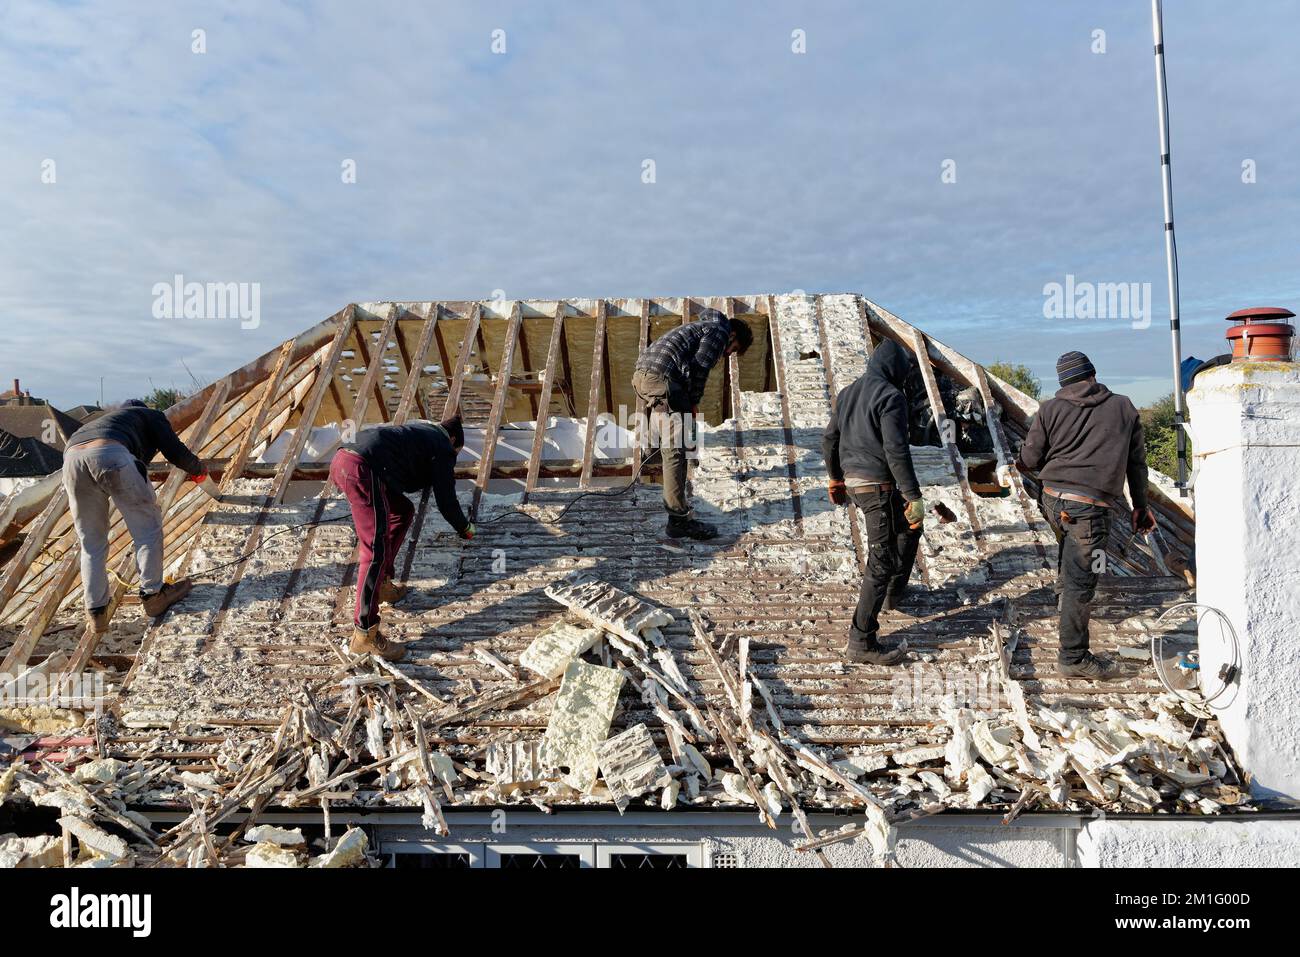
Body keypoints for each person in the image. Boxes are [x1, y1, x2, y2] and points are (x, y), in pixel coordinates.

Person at [1016, 351, 1156, 680]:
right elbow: (1137, 464)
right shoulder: (1124, 407)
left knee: (1071, 558)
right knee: (1083, 583)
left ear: (1063, 383)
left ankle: (1066, 597)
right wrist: (1140, 506)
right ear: (1093, 375)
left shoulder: (1049, 409)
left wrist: (1024, 458)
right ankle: (1073, 657)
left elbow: (1031, 458)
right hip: (1089, 510)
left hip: (1052, 501)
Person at [329, 414, 474, 661]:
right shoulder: (442, 447)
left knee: (402, 511)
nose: (453, 458)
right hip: (361, 469)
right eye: (456, 453)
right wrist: (465, 528)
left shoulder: (421, 432)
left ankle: (382, 584)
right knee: (373, 550)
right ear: (452, 440)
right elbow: (446, 501)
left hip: (343, 461)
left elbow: (405, 471)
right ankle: (365, 634)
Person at [62, 399, 206, 633]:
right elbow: (175, 451)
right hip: (110, 454)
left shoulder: (109, 422)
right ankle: (153, 595)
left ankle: (96, 612)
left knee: (91, 542)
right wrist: (199, 469)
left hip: (71, 460)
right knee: (147, 529)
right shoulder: (150, 415)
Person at [822, 340, 924, 665]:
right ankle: (860, 640)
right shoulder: (891, 397)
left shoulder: (848, 392)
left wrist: (835, 477)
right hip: (876, 485)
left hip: (856, 483)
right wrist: (913, 496)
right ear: (895, 370)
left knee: (908, 527)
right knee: (880, 559)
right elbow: (897, 451)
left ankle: (894, 595)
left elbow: (829, 439)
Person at [631, 308, 753, 540]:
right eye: (733, 349)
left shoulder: (699, 328)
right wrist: (694, 402)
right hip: (662, 379)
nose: (728, 354)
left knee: (672, 423)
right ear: (733, 335)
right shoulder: (719, 331)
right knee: (676, 452)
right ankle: (678, 520)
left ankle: (652, 451)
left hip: (643, 377)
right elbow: (699, 369)